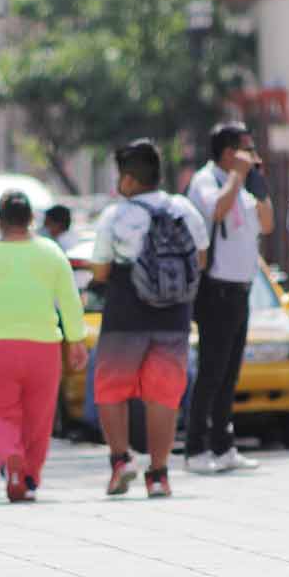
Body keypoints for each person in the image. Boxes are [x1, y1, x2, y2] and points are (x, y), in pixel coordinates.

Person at [90, 139, 209, 498]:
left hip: (125, 312)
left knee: (111, 389)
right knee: (163, 394)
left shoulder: (116, 215)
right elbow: (201, 260)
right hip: (174, 315)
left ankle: (121, 461)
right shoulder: (183, 210)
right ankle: (158, 475)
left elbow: (100, 270)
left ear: (128, 179)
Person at [0, 191, 88, 502]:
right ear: (32, 219)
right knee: (39, 417)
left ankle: (10, 457)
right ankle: (29, 475)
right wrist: (76, 339)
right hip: (43, 347)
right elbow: (69, 299)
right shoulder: (51, 252)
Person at [183, 122, 275, 474]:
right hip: (216, 289)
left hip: (241, 289)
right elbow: (216, 212)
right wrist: (237, 177)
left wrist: (258, 183)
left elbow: (266, 224)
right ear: (227, 153)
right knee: (211, 371)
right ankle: (195, 449)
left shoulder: (244, 186)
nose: (252, 155)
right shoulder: (206, 181)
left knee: (230, 372)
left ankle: (223, 446)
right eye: (246, 149)